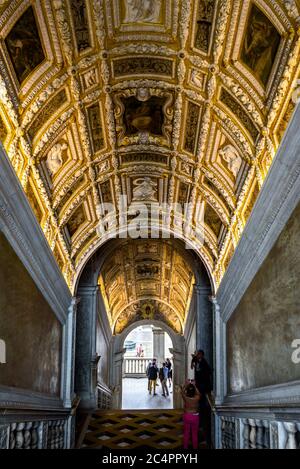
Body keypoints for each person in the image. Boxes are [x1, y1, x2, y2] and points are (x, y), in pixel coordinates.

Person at [181, 381, 201, 450]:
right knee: (194, 434)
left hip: (187, 415)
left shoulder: (186, 397)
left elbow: (182, 392)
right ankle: (195, 448)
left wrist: (186, 385)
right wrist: (194, 385)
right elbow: (198, 393)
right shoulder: (197, 398)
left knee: (186, 433)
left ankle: (185, 447)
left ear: (188, 391)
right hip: (195, 416)